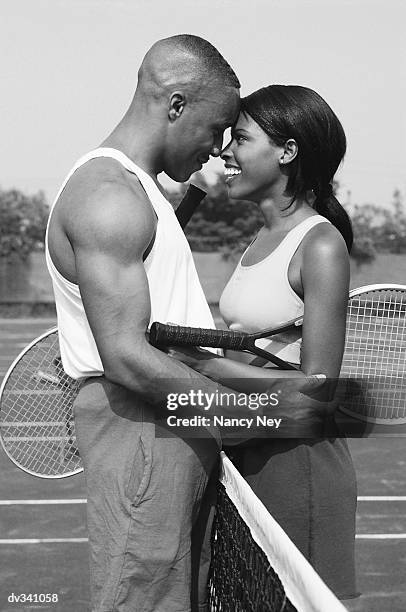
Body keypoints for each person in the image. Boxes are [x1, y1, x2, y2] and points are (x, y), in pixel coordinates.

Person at [45, 34, 241, 612]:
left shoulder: (136, 193)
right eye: (215, 128)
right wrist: (249, 411)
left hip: (166, 429)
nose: (217, 148)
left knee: (173, 598)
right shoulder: (109, 196)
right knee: (143, 602)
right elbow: (127, 355)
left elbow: (151, 280)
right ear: (176, 105)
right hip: (143, 431)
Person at [170, 85, 359, 604]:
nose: (225, 152)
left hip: (300, 470)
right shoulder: (258, 239)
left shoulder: (320, 245)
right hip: (246, 458)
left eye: (242, 139)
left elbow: (316, 395)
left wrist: (199, 363)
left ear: (288, 151)